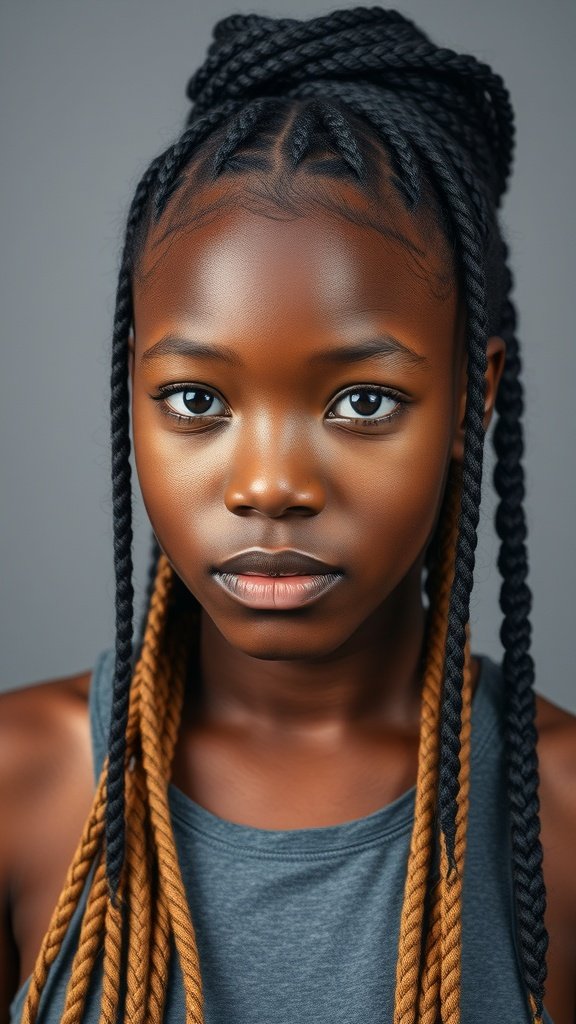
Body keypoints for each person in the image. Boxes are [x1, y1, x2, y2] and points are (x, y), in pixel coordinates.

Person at [1, 6, 575, 1023]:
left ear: (472, 400)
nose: (269, 484)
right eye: (196, 400)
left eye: (362, 402)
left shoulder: (561, 815)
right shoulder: (20, 785)